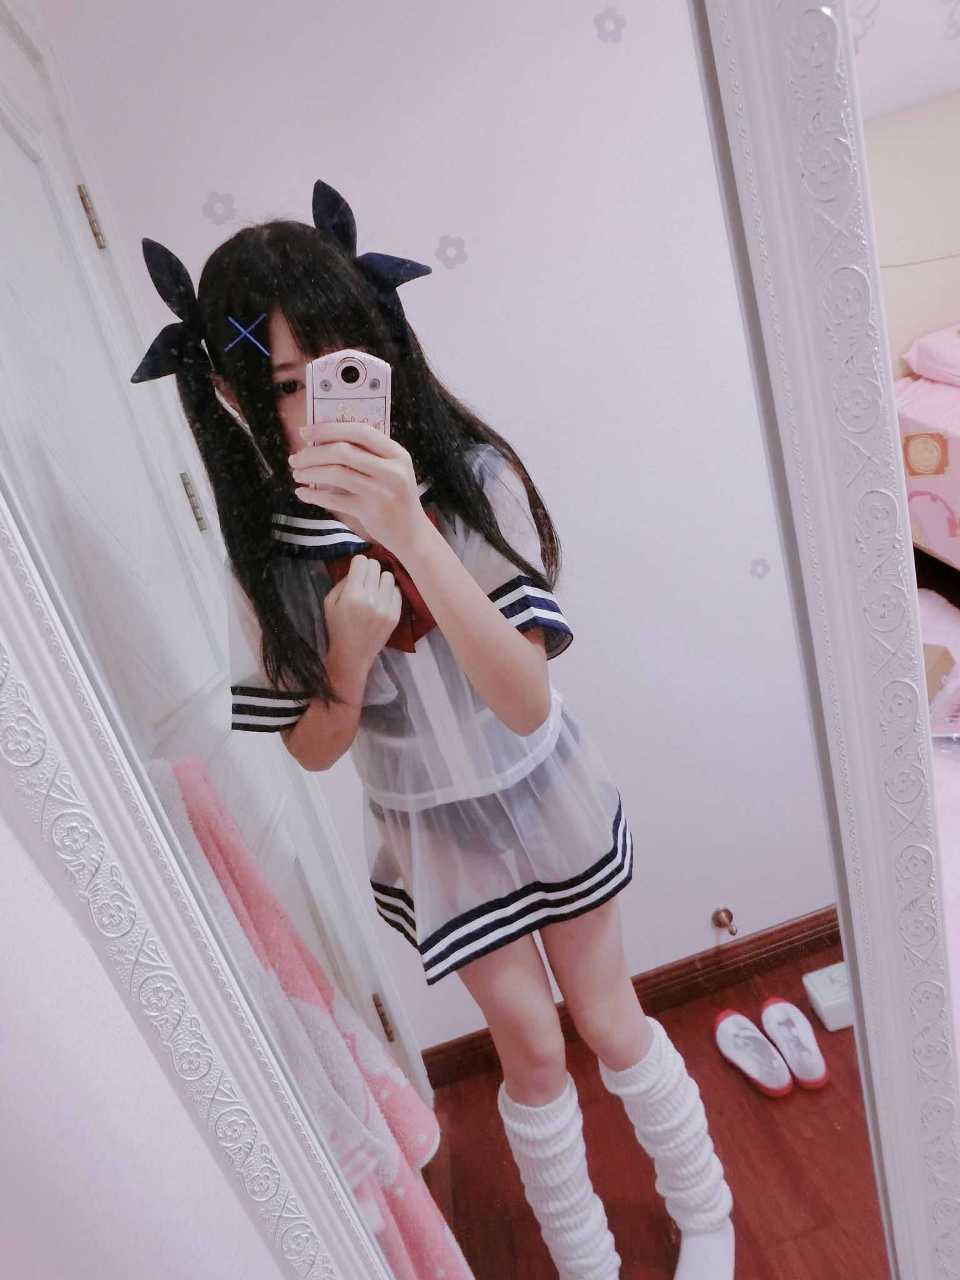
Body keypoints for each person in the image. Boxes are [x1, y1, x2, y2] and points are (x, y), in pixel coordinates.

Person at [131, 179, 735, 1280]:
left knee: (610, 1020)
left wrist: (409, 528)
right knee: (533, 1053)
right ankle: (587, 1263)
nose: (315, 409)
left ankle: (709, 1211)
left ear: (381, 350)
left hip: (544, 786)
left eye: (339, 370)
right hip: (432, 833)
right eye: (282, 385)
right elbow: (314, 748)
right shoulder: (268, 560)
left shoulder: (468, 483)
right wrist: (348, 657)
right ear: (227, 393)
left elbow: (525, 698)